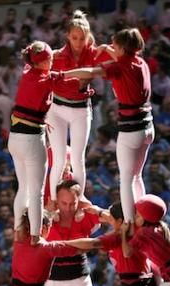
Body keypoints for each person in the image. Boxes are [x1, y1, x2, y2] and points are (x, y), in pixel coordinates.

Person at [63, 28, 154, 224]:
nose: (112, 48)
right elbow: (123, 55)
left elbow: (91, 72)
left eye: (115, 45)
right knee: (137, 176)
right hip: (148, 126)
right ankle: (142, 215)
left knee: (127, 179)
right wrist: (106, 47)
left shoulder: (119, 67)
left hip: (132, 129)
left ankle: (129, 223)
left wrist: (62, 74)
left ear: (121, 47)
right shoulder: (140, 62)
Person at [8, 41, 74, 241]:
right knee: (36, 193)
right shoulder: (46, 80)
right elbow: (71, 78)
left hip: (14, 138)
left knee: (23, 188)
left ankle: (18, 231)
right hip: (30, 140)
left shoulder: (27, 72)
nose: (52, 60)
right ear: (42, 61)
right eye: (49, 59)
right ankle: (36, 236)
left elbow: (41, 58)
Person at [47, 11, 98, 202]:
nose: (78, 41)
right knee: (58, 159)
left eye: (82, 38)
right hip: (56, 109)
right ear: (68, 36)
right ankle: (53, 201)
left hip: (81, 109)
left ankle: (79, 199)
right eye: (74, 37)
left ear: (88, 37)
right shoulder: (55, 56)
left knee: (77, 158)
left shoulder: (93, 53)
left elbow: (90, 76)